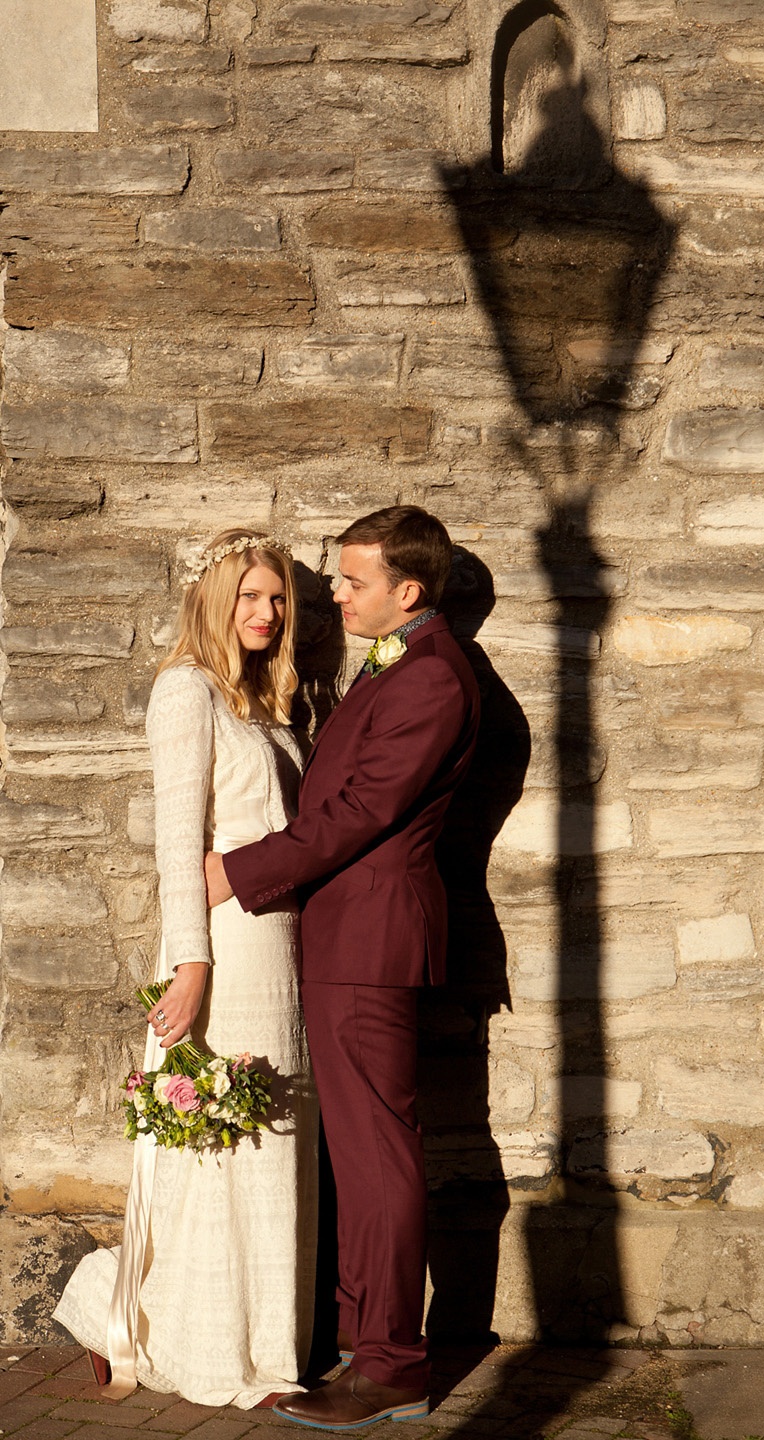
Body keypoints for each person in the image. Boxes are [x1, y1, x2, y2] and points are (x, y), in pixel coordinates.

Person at [205, 506, 481, 1430]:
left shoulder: (433, 679)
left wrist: (236, 873)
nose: (333, 595)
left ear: (409, 591)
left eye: (353, 581)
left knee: (377, 1157)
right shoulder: (400, 663)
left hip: (370, 944)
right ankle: (363, 1342)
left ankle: (394, 1363)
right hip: (346, 940)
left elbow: (362, 811)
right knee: (363, 1156)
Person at [53, 530, 319, 1410]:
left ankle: (270, 1345)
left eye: (278, 598)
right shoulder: (186, 691)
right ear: (212, 598)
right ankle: (188, 1340)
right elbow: (178, 850)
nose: (267, 612)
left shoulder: (271, 705)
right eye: (249, 595)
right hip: (225, 952)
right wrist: (189, 965)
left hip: (283, 949)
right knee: (223, 1148)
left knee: (274, 1146)